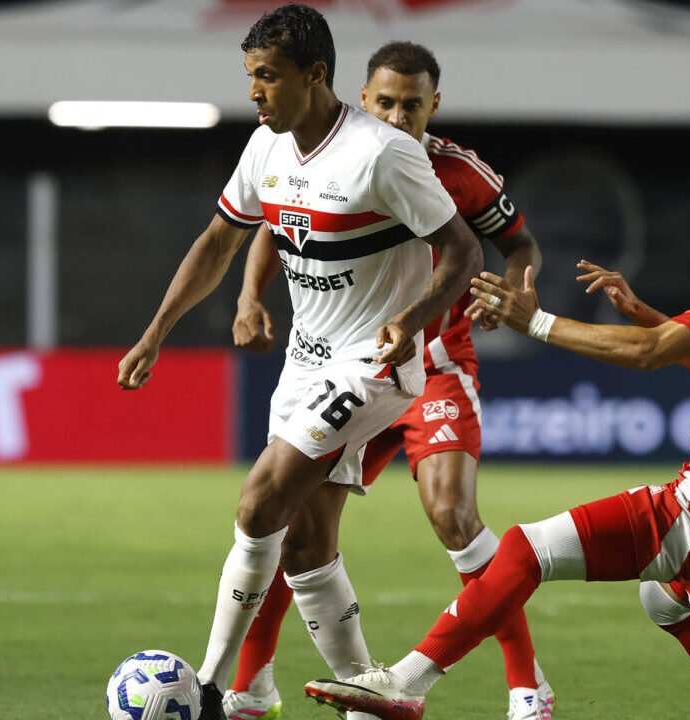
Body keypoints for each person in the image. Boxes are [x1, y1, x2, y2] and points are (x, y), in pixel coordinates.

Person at [303, 175, 690, 720]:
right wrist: (647, 315)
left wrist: (535, 322)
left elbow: (651, 354)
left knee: (525, 549)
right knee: (666, 601)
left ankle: (406, 684)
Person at [115, 6, 484, 720]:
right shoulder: (266, 149)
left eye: (267, 78)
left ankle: (207, 691)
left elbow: (466, 250)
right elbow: (219, 242)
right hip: (304, 365)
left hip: (373, 365)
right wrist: (157, 331)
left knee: (258, 502)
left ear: (315, 76)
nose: (254, 92)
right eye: (251, 77)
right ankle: (371, 697)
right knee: (307, 547)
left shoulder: (384, 153)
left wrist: (409, 320)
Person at [225, 41, 552, 720]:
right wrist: (249, 297)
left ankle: (527, 686)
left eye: (413, 104)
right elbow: (273, 222)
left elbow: (518, 242)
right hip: (351, 364)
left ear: (435, 105)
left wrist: (514, 291)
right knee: (288, 522)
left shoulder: (460, 172)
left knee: (453, 518)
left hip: (435, 367)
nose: (399, 116)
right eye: (386, 102)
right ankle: (252, 687)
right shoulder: (337, 155)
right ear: (361, 98)